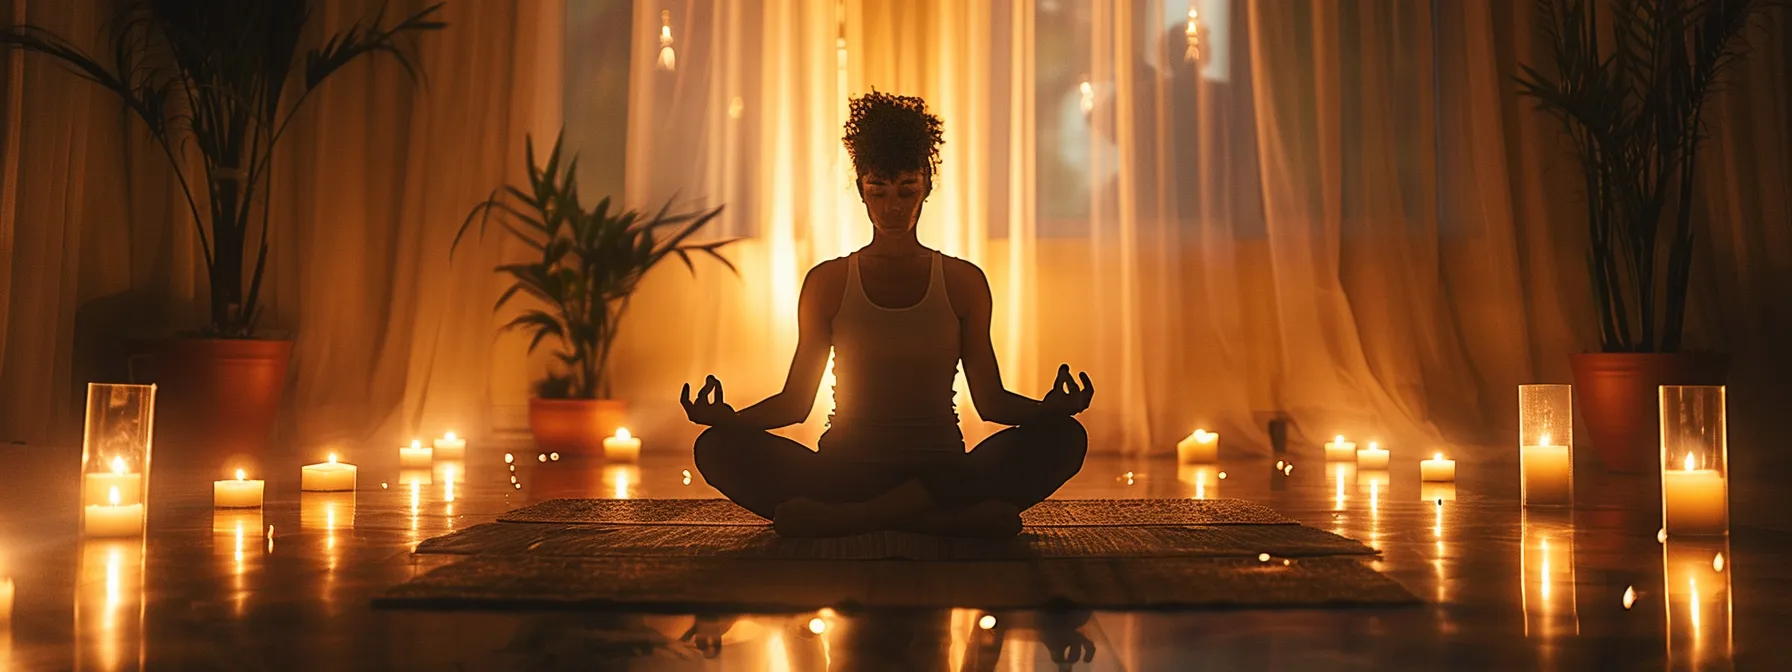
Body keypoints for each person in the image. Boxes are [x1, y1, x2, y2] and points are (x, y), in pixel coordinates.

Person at [682, 91, 1093, 538]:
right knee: (715, 447)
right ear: (861, 190)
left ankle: (852, 521)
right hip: (844, 472)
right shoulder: (828, 281)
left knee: (1065, 437)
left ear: (926, 188)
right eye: (878, 190)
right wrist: (729, 420)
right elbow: (796, 403)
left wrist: (1050, 411)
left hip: (940, 469)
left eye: (907, 190)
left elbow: (991, 402)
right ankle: (937, 520)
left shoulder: (962, 281)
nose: (893, 206)